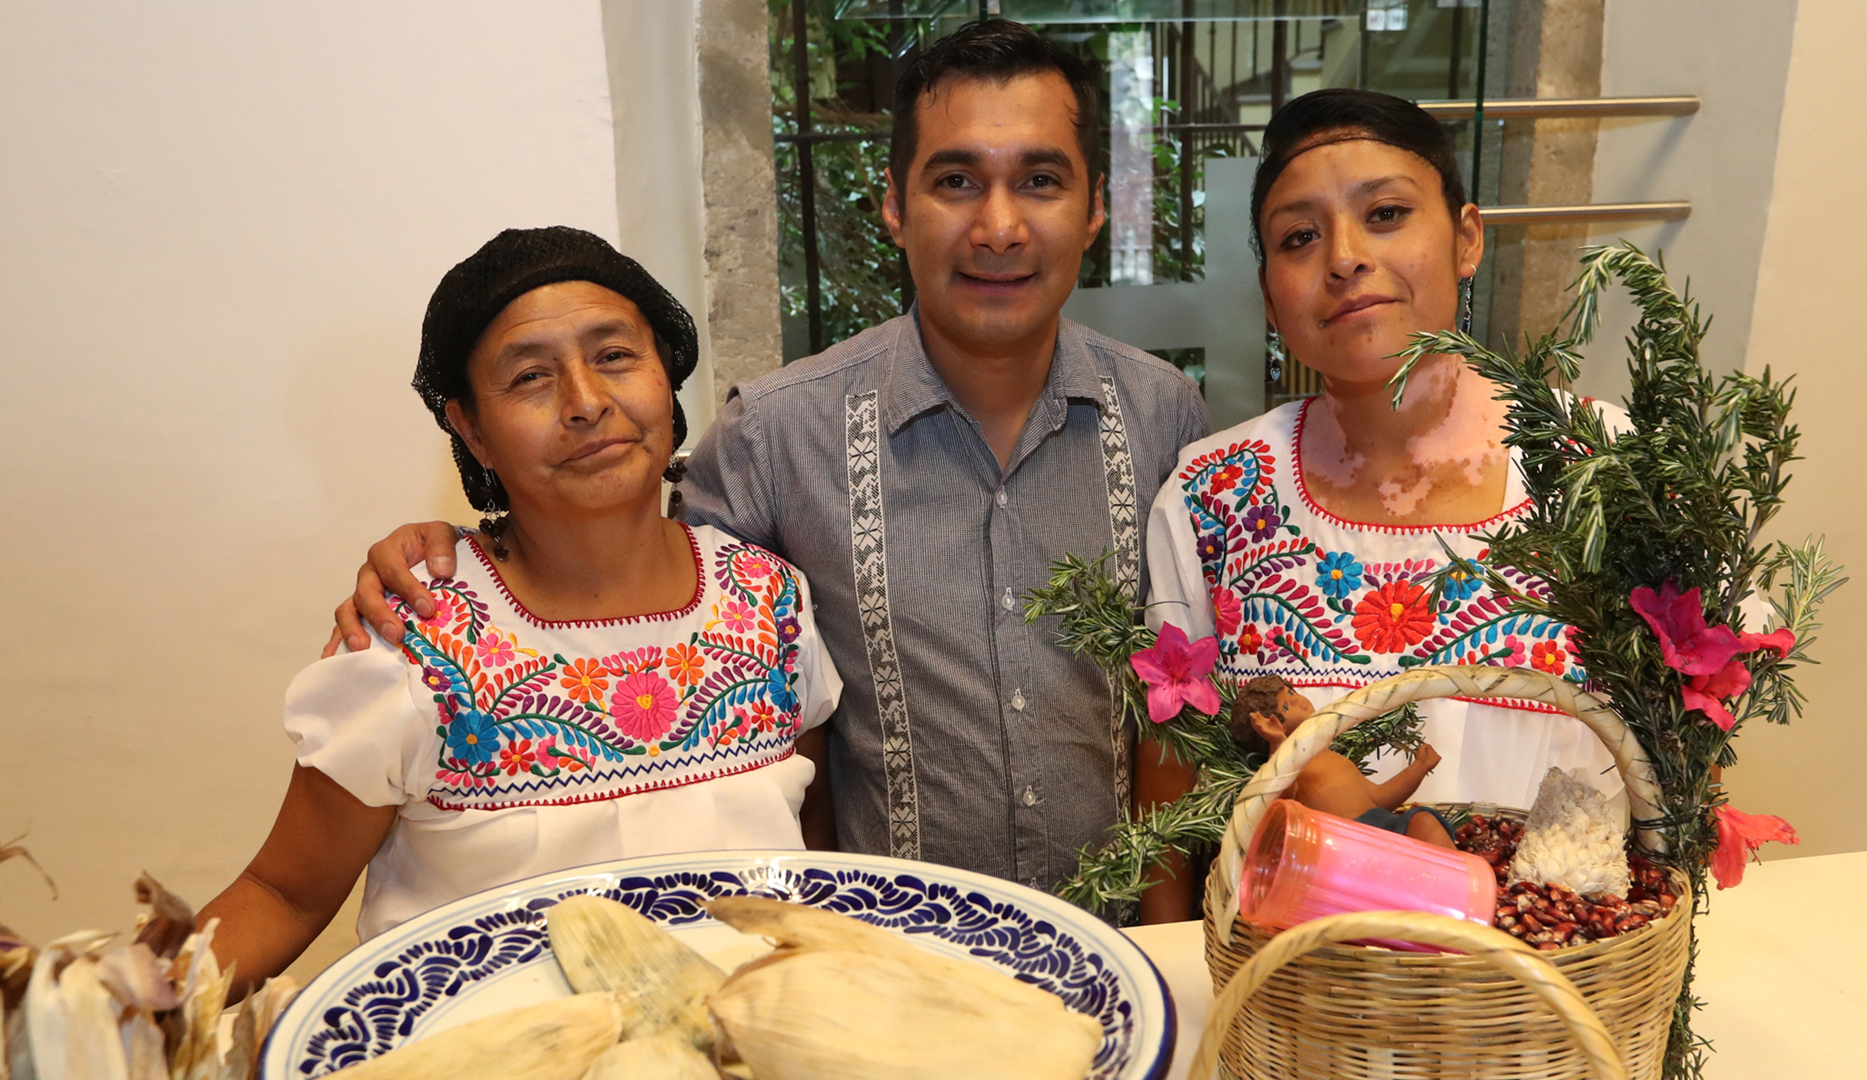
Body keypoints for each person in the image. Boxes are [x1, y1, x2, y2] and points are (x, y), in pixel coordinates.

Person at [325, 22, 1211, 903]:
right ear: (895, 207)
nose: (1000, 225)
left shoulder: (1164, 415)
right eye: (955, 181)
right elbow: (624, 577)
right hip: (885, 974)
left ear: (1096, 206)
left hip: (1122, 953)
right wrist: (455, 558)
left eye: (1041, 180)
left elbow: (1192, 704)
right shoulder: (775, 437)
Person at [199, 228, 840, 992]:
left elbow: (811, 844)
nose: (586, 402)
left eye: (614, 356)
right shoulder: (415, 637)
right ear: (471, 428)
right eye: (532, 377)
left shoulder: (769, 602)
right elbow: (282, 893)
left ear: (665, 378)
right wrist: (117, 998)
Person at [1144, 89, 1625, 899]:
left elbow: (1687, 767)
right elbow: (1168, 789)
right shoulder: (1213, 497)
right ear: (1270, 296)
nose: (1345, 256)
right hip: (1296, 1000)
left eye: (1387, 213)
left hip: (1561, 996)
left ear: (1467, 238)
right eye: (1300, 237)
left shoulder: (1603, 471)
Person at [1231, 675, 1452, 849]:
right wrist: (1278, 745)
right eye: (1286, 707)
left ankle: (1467, 887)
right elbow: (1283, 800)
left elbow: (1379, 799)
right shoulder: (1283, 766)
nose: (1297, 699)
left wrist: (1419, 767)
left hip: (1382, 827)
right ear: (1268, 729)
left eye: (1291, 692)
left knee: (1423, 821)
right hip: (1344, 844)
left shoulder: (1332, 758)